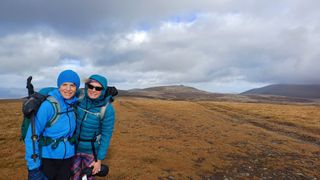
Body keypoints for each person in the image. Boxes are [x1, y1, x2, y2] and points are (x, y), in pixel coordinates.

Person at [25, 69, 80, 180]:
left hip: (67, 159)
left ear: (77, 88)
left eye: (72, 85)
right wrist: (33, 167)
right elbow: (31, 136)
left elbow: (93, 96)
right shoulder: (48, 106)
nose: (68, 89)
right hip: (48, 159)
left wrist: (104, 92)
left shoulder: (73, 105)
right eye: (64, 84)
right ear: (59, 86)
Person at [71, 74, 115, 179]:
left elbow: (106, 135)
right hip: (73, 148)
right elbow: (62, 92)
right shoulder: (80, 97)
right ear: (87, 86)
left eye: (98, 88)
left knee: (86, 178)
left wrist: (99, 160)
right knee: (72, 176)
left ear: (103, 90)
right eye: (91, 86)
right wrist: (39, 95)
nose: (93, 90)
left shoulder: (107, 109)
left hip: (91, 152)